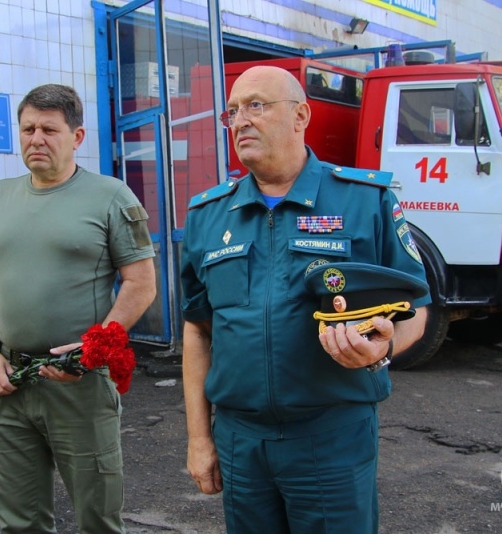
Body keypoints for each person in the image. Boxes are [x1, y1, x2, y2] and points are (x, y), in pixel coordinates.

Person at [180, 65, 431, 533]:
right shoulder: (208, 215)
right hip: (240, 439)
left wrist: (386, 345)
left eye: (256, 105)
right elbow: (197, 329)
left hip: (330, 434)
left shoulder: (365, 200)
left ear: (301, 116)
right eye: (231, 111)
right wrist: (199, 438)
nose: (240, 121)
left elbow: (417, 307)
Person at [0, 83, 156, 533]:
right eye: (28, 128)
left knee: (98, 517)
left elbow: (141, 283)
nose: (36, 139)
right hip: (11, 383)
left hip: (79, 385)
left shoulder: (111, 196)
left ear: (77, 137)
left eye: (49, 129)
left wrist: (96, 346)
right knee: (19, 520)